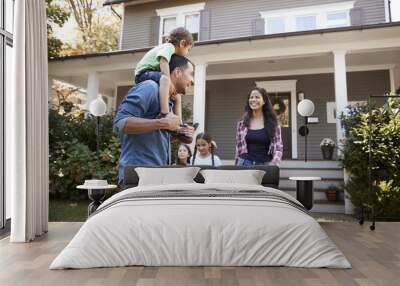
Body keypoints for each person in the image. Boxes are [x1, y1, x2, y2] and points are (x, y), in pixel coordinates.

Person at [113, 54, 194, 183]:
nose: (192, 80)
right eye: (191, 74)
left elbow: (156, 133)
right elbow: (120, 124)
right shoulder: (149, 87)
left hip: (157, 175)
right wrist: (162, 123)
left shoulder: (168, 101)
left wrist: (178, 133)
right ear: (178, 72)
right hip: (138, 177)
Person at [135, 27, 193, 123]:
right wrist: (168, 80)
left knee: (175, 94)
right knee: (165, 79)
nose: (187, 53)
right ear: (182, 43)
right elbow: (163, 62)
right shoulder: (169, 47)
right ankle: (164, 113)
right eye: (188, 49)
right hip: (143, 72)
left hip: (148, 72)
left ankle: (180, 123)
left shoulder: (168, 49)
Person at [235, 87, 283, 166]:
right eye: (251, 97)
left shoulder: (274, 124)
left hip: (265, 165)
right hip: (244, 164)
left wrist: (274, 164)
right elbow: (238, 149)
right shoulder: (241, 124)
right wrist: (236, 167)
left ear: (264, 101)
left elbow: (278, 147)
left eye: (257, 97)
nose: (253, 100)